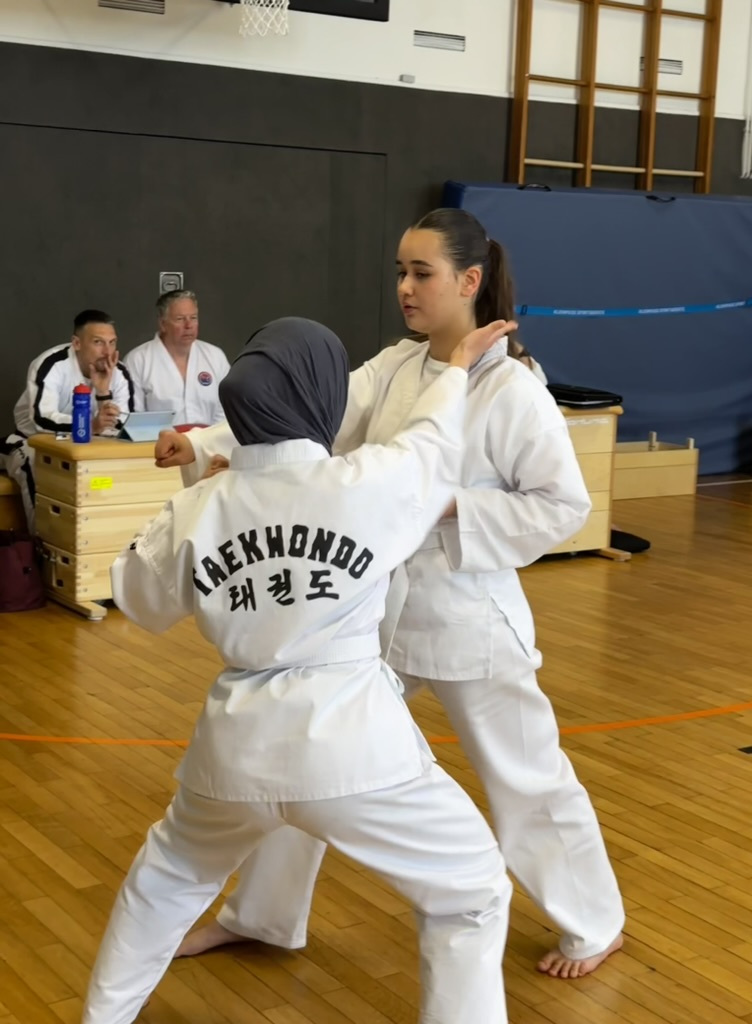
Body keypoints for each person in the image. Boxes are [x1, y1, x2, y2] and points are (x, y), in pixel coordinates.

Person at [155, 208, 626, 981]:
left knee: (524, 775)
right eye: (400, 272)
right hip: (377, 610)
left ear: (469, 281)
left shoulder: (512, 387)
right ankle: (263, 917)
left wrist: (447, 507)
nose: (405, 287)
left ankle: (595, 922)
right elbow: (303, 416)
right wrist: (204, 442)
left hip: (469, 615)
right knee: (308, 758)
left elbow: (561, 506)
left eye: (421, 273)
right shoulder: (396, 367)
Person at [80, 316, 514, 1024]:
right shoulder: (370, 482)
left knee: (165, 883)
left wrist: (203, 508)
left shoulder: (200, 504)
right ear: (321, 397)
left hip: (233, 754)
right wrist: (457, 365)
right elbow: (432, 438)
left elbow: (138, 598)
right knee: (471, 891)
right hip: (356, 749)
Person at [0, 309, 134, 530]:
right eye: (98, 342)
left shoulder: (119, 372)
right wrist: (90, 425)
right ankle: (42, 540)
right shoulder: (51, 363)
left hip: (88, 446)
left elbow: (123, 424)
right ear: (77, 343)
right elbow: (42, 419)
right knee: (35, 464)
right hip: (31, 441)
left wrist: (103, 393)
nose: (107, 351)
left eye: (112, 343)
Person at [125, 289, 229, 426]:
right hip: (156, 439)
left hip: (208, 438)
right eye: (180, 319)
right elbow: (134, 419)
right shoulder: (138, 360)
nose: (188, 325)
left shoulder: (215, 356)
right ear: (163, 324)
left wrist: (210, 437)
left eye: (193, 318)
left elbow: (226, 410)